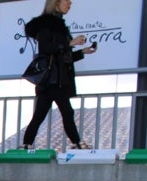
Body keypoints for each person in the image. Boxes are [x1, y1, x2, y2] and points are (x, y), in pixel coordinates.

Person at [22, 0, 97, 150]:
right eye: (66, 1)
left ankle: (26, 144)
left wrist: (82, 52)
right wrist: (69, 43)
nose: (70, 3)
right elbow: (46, 48)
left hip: (53, 80)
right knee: (66, 111)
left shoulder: (59, 26)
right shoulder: (46, 25)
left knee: (40, 114)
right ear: (56, 4)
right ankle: (77, 143)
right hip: (53, 80)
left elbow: (63, 57)